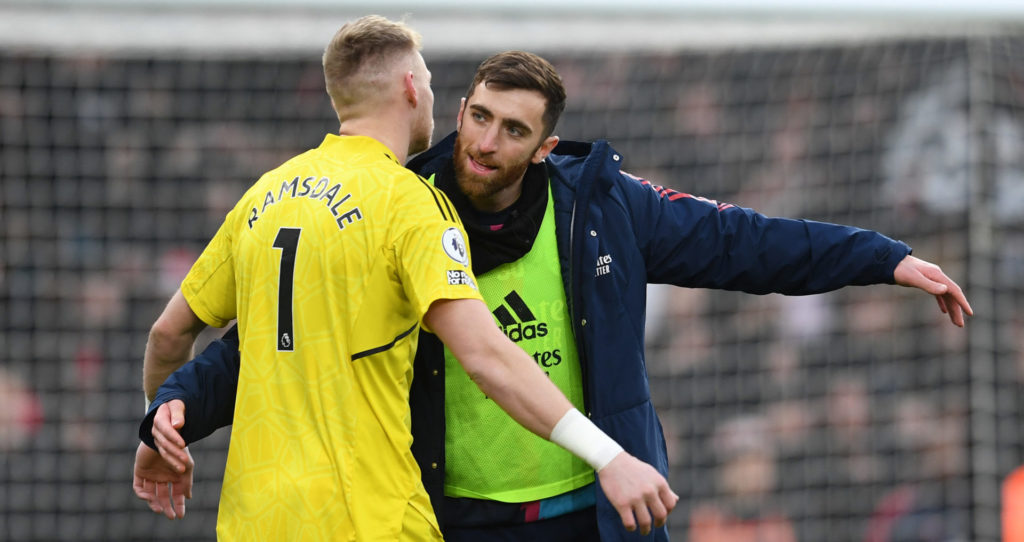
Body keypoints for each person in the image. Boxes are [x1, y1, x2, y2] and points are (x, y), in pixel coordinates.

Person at [137, 51, 972, 541]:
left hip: (590, 508)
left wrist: (884, 258)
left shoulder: (603, 206)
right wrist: (174, 403)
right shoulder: (396, 205)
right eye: (478, 116)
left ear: (546, 148)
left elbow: (739, 241)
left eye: (511, 130)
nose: (484, 142)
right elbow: (282, 335)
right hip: (455, 513)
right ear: (457, 110)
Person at [131, 23, 677, 542]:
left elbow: (168, 335)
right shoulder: (411, 204)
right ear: (412, 88)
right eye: (433, 83)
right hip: (372, 519)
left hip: (257, 520)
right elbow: (486, 358)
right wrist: (610, 456)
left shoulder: (263, 198)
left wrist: (159, 427)